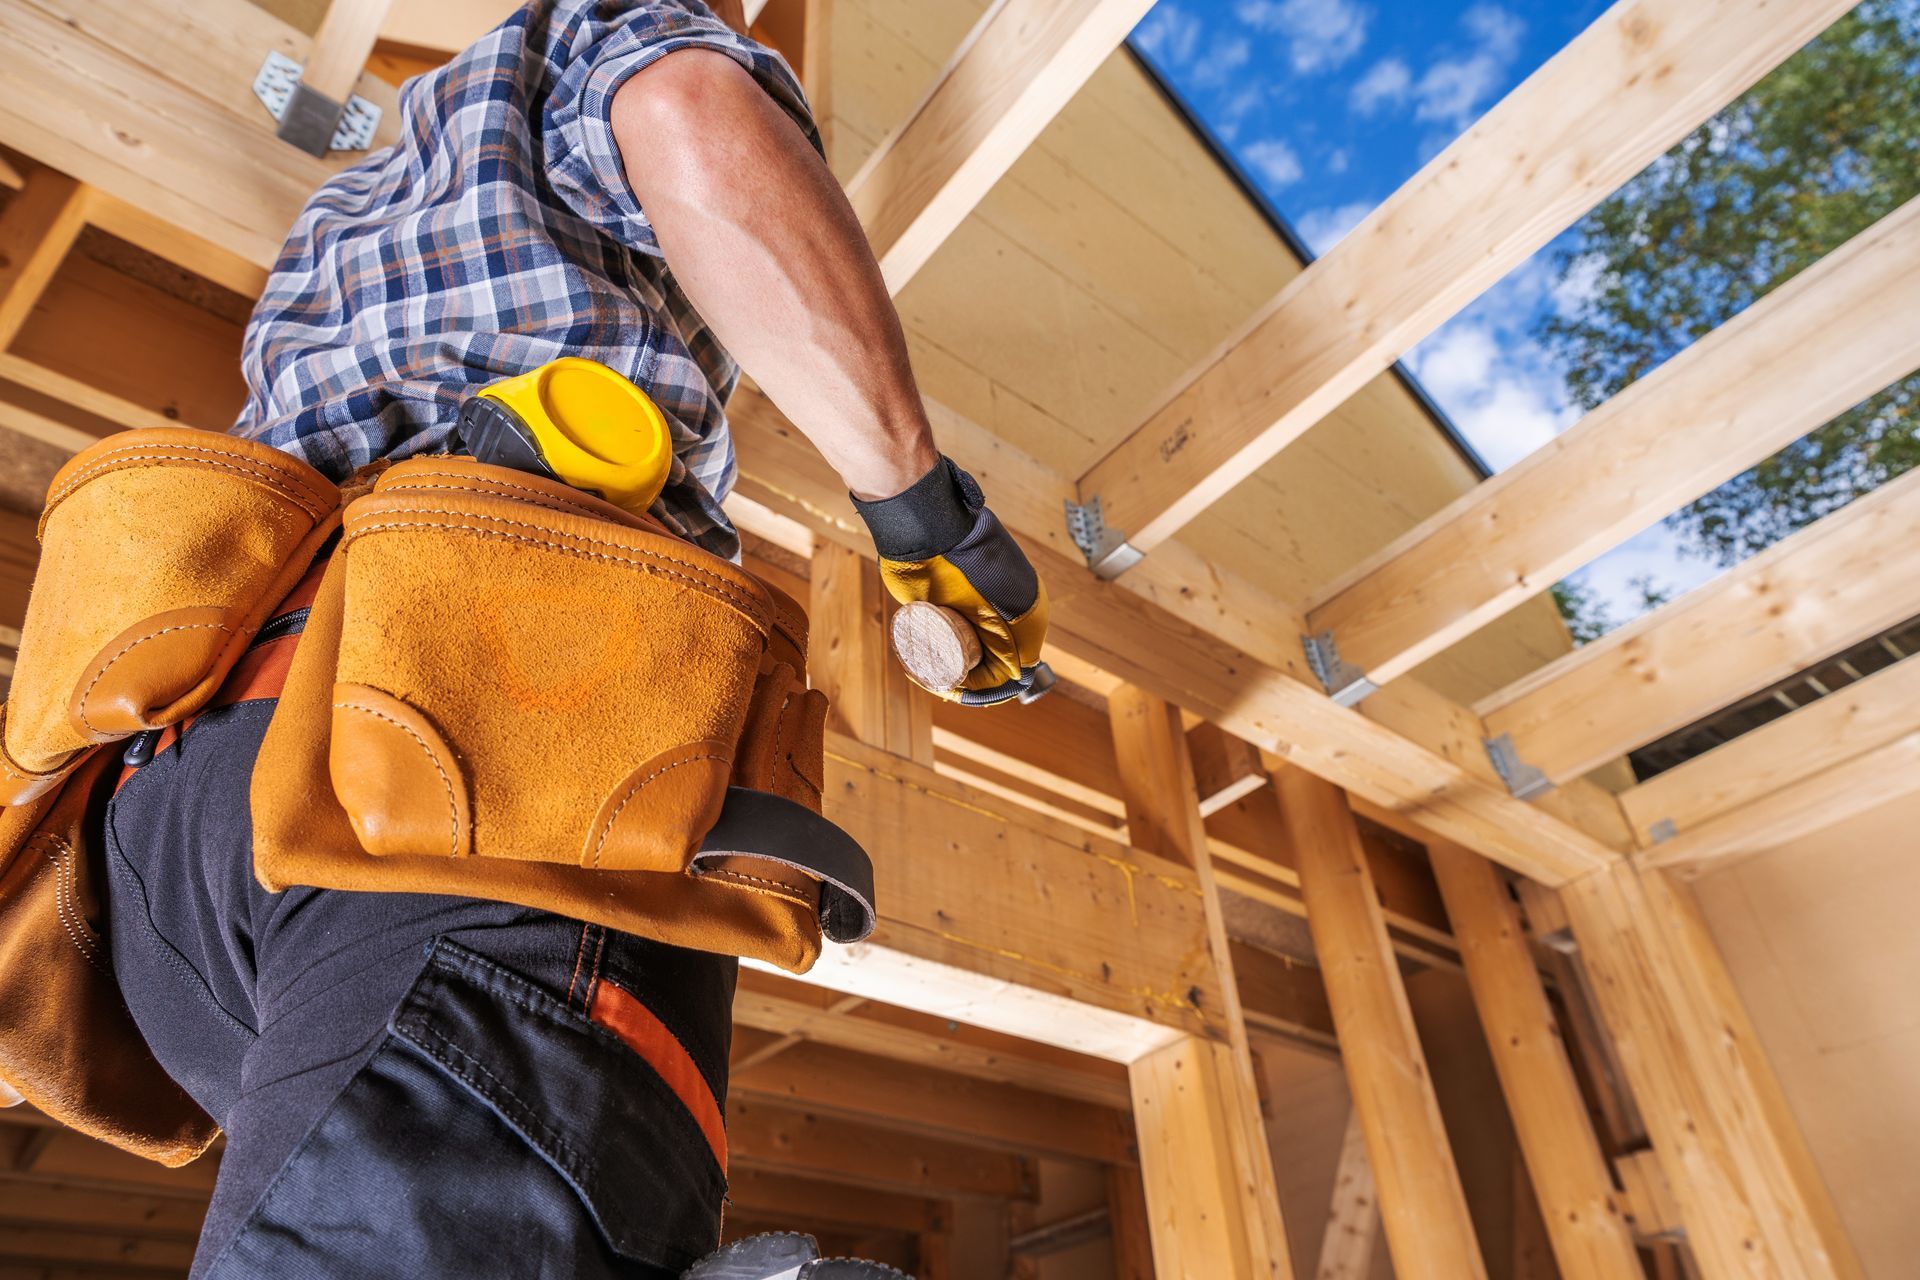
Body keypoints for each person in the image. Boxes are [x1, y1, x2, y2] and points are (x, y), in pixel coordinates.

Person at [81, 1, 1045, 1275]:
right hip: (474, 754)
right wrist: (923, 507)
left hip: (181, 840)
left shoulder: (360, 202)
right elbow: (691, 116)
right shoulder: (607, 28)